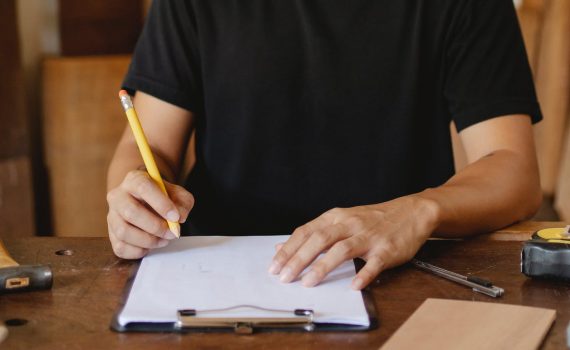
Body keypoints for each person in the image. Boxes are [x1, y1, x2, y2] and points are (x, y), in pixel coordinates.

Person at [107, 0, 542, 290]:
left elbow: (512, 168)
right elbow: (148, 148)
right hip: (217, 273)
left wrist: (418, 211)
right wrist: (137, 197)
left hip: (394, 274)